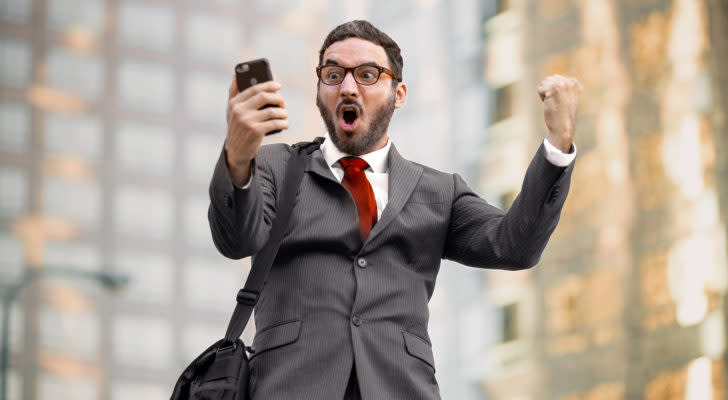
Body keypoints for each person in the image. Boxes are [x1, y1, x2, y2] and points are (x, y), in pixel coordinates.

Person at [209, 20, 580, 400]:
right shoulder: (275, 167)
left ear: (398, 93)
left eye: (367, 74)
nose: (348, 87)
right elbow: (237, 239)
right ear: (320, 90)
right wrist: (238, 157)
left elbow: (514, 246)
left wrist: (557, 146)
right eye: (333, 74)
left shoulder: (439, 191)